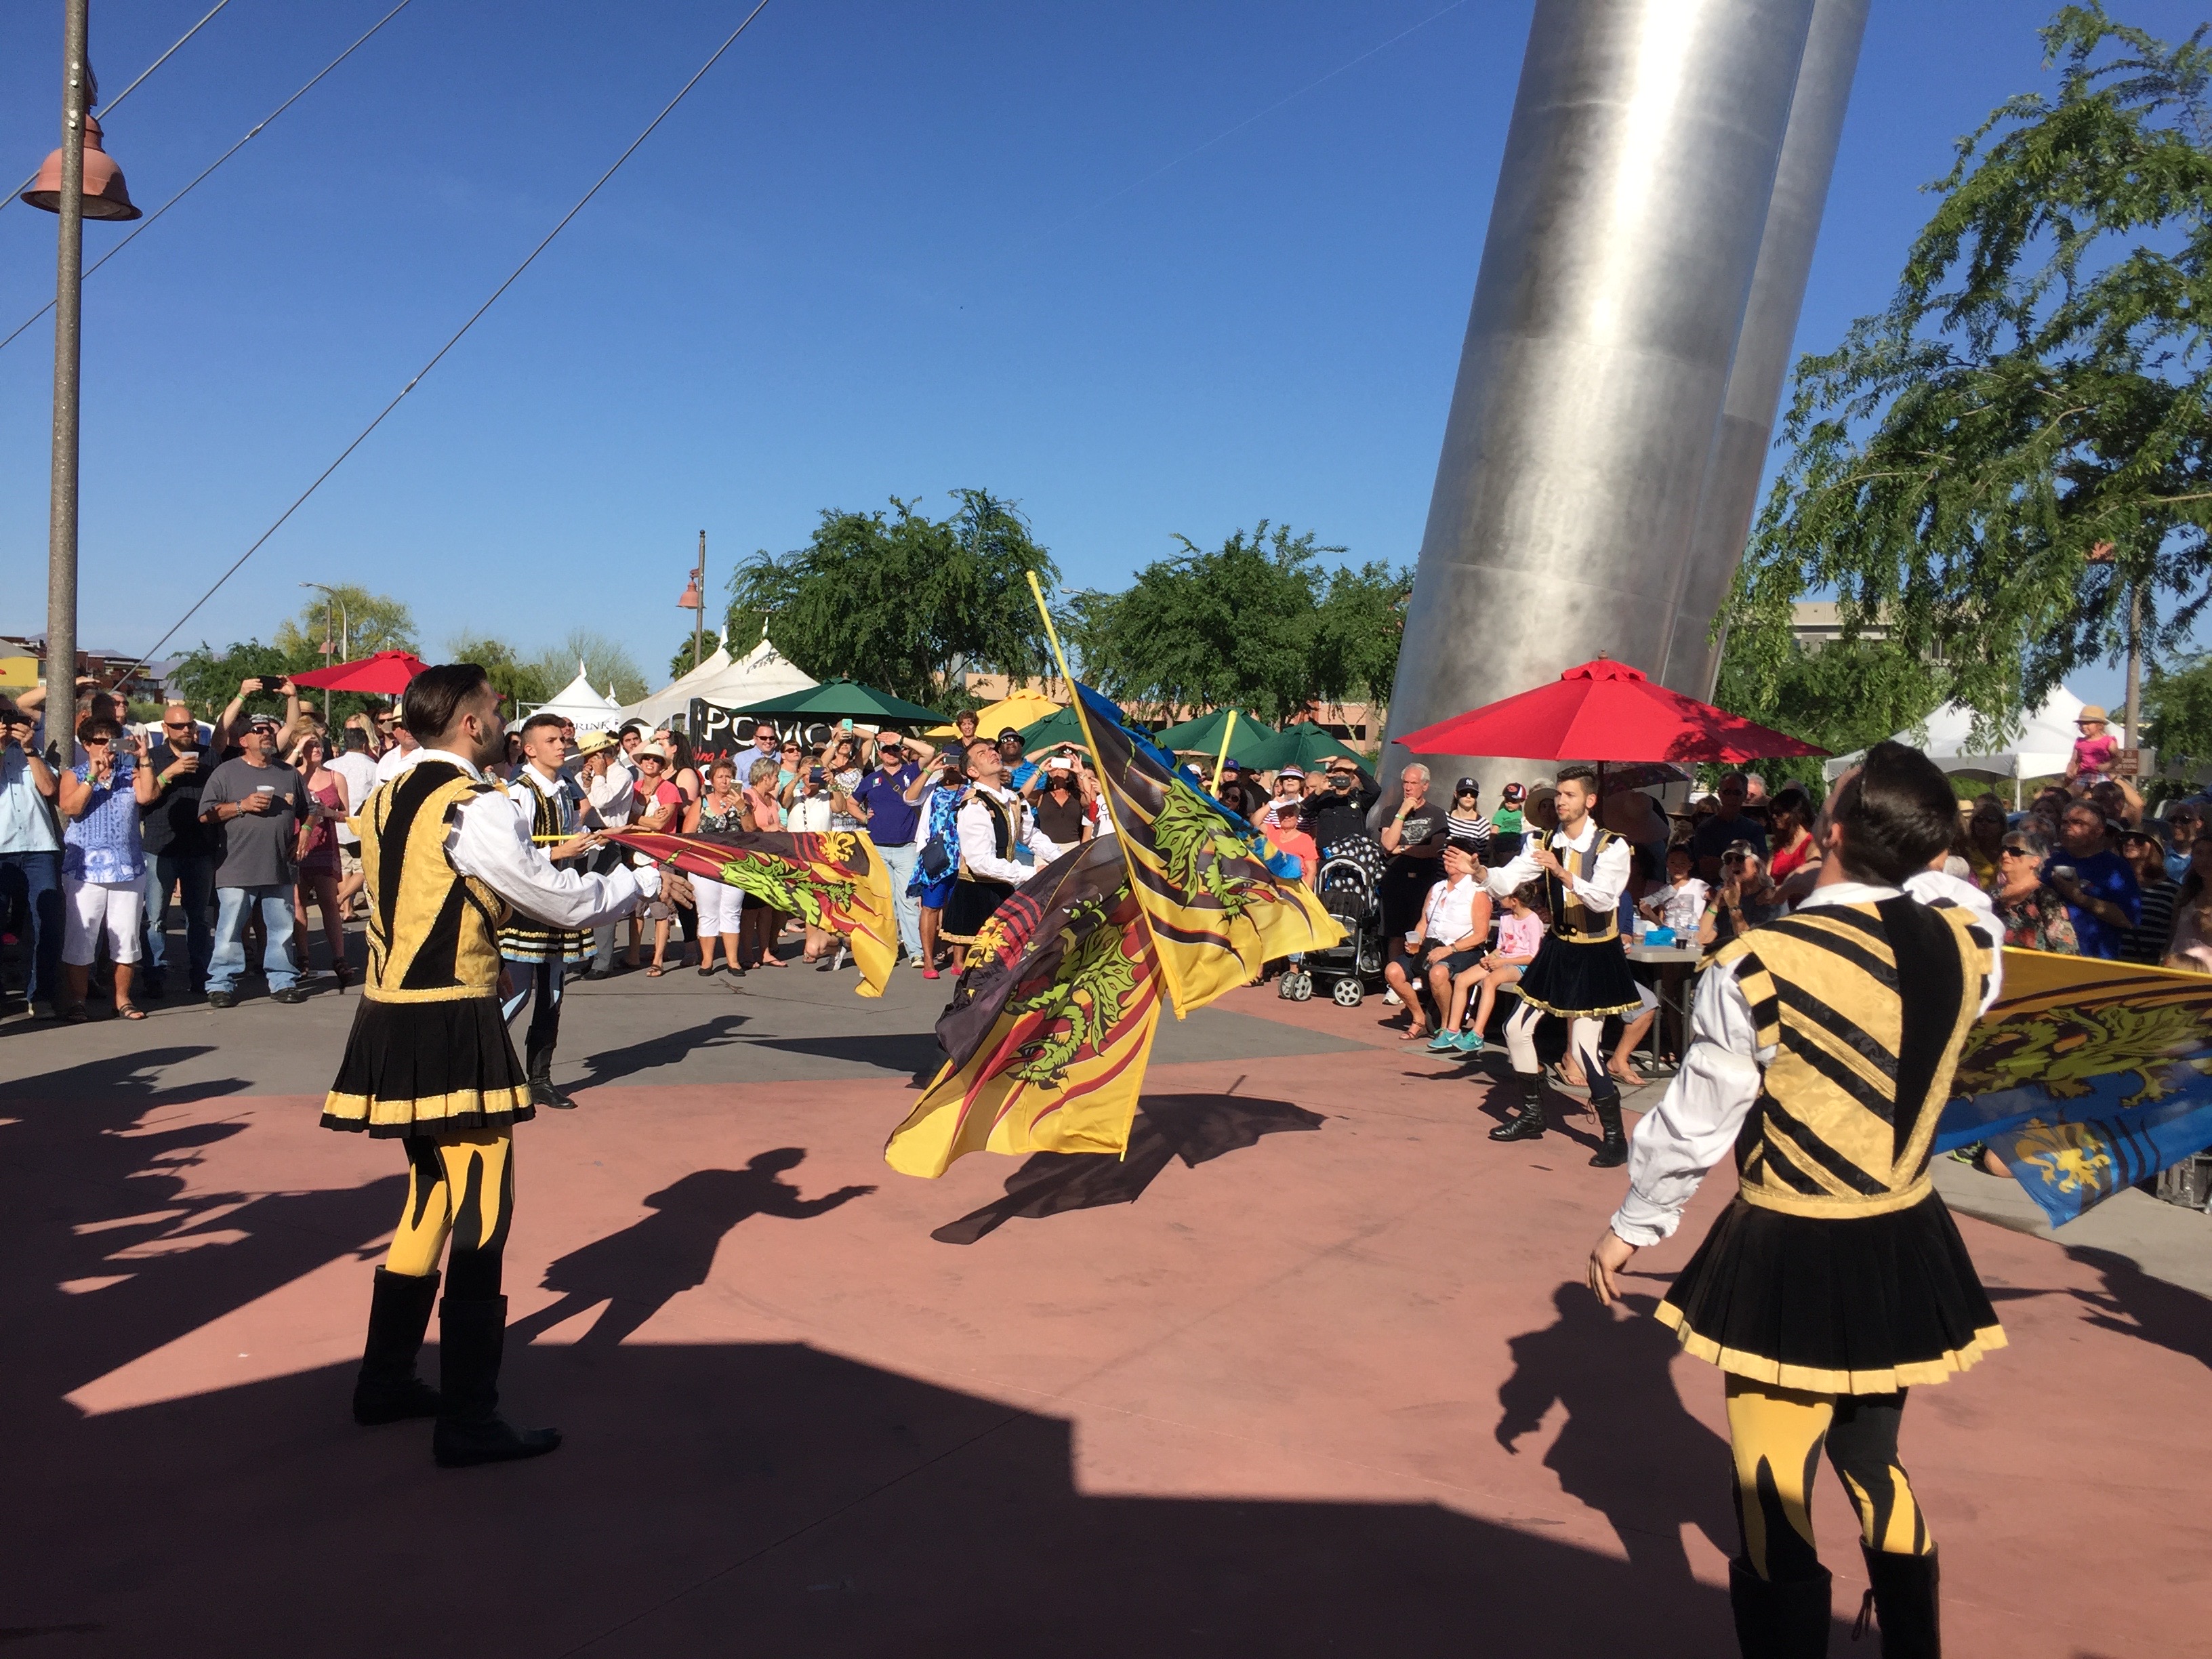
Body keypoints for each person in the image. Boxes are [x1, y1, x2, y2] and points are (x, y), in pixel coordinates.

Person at [1586, 741, 2005, 1656]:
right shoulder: (1973, 945)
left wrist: (1634, 1227)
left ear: (1834, 830)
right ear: (1932, 851)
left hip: (1793, 1242)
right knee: (1873, 1462)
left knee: (1773, 1483)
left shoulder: (1760, 963)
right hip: (1903, 1238)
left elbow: (1698, 1122)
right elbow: (1954, 898)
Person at [323, 663, 673, 1468]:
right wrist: (643, 881)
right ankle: (470, 1417)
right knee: (482, 1208)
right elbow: (556, 897)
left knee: (429, 1198)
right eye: (495, 711)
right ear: (473, 725)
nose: (502, 722)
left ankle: (387, 1382)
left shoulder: (382, 797)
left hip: (391, 1010)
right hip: (449, 1014)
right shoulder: (474, 805)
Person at [1477, 763, 1643, 1165]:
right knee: (1515, 1027)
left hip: (1594, 953)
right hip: (1558, 948)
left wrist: (1562, 872)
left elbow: (1605, 899)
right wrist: (1481, 872)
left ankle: (1615, 1138)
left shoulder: (1612, 846)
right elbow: (1510, 878)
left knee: (1586, 1050)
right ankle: (1533, 1115)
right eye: (1559, 793)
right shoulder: (1545, 840)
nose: (1560, 801)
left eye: (1569, 795)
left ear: (1589, 801)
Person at [498, 713, 600, 1108]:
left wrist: (588, 842)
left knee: (553, 994)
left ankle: (538, 1078)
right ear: (530, 749)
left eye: (563, 739)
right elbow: (511, 858)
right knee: (517, 992)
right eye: (553, 740)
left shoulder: (561, 788)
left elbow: (568, 836)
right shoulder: (519, 791)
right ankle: (472, 1064)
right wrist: (561, 851)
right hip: (527, 904)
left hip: (557, 900)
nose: (562, 745)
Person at [199, 716, 310, 1008]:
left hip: (279, 866)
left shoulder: (289, 773)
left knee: (282, 927)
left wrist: (305, 833)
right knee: (230, 929)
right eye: (258, 730)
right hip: (236, 865)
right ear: (243, 740)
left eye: (270, 730)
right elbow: (205, 815)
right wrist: (241, 806)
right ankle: (221, 983)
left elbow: (308, 809)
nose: (266, 734)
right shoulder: (226, 772)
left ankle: (283, 980)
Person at [56, 716, 157, 1021]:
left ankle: (122, 999)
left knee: (126, 936)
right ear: (86, 745)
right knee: (81, 936)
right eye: (99, 741)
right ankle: (77, 1001)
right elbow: (72, 808)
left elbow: (148, 796)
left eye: (112, 740)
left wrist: (145, 758)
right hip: (85, 871)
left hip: (127, 869)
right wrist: (92, 776)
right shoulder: (73, 775)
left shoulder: (131, 774)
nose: (107, 747)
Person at [941, 735, 1063, 973]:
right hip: (978, 894)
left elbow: (1030, 836)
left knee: (1007, 970)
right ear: (973, 771)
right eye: (982, 753)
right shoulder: (975, 805)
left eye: (990, 749)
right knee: (982, 975)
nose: (992, 752)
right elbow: (980, 863)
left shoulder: (1012, 799)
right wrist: (1032, 872)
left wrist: (1061, 860)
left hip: (1003, 889)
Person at [136, 703, 217, 997]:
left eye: (190, 725)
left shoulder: (209, 756)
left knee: (198, 917)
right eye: (179, 726)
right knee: (155, 917)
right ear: (166, 729)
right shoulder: (153, 758)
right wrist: (171, 771)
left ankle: (200, 974)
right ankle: (154, 974)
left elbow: (218, 796)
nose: (187, 730)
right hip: (161, 845)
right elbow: (144, 799)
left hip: (200, 847)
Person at [0, 699, 63, 1019]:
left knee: (49, 924)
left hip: (38, 848)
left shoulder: (30, 751)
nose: (6, 723)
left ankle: (40, 994)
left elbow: (51, 789)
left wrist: (28, 749)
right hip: (1, 851)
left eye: (8, 716)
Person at [850, 730, 924, 964]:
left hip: (907, 847)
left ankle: (916, 951)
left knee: (909, 901)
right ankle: (888, 949)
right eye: (885, 750)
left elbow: (930, 752)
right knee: (885, 902)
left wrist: (901, 741)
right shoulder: (871, 778)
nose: (890, 753)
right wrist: (863, 818)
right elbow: (852, 803)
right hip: (879, 847)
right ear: (879, 754)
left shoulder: (912, 771)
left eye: (894, 749)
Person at [1414, 840, 1493, 1051]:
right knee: (1393, 971)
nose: (1447, 860)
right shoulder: (1437, 888)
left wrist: (1450, 949)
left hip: (1464, 950)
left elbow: (1481, 935)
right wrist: (1415, 940)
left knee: (1439, 973)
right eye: (1445, 856)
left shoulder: (1477, 890)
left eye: (1453, 856)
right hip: (1431, 945)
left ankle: (1448, 1027)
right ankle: (1419, 1018)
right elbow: (1423, 922)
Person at [901, 739, 967, 979]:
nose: (951, 765)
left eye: (955, 760)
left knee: (960, 908)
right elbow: (909, 798)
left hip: (963, 856)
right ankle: (929, 961)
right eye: (947, 759)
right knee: (930, 907)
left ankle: (958, 958)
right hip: (935, 857)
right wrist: (931, 768)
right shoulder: (932, 787)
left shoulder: (971, 787)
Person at [575, 729, 637, 979]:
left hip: (609, 836)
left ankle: (603, 960)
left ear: (600, 755)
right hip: (587, 836)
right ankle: (589, 954)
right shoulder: (592, 774)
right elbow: (583, 799)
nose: (587, 762)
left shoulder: (621, 775)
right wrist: (588, 781)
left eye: (590, 757)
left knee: (603, 898)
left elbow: (602, 801)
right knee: (585, 898)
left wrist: (598, 778)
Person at [289, 734, 350, 987]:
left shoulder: (336, 777)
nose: (317, 749)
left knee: (328, 901)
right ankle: (303, 957)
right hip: (297, 844)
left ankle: (339, 958)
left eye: (319, 744)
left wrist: (331, 813)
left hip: (324, 845)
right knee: (298, 902)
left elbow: (346, 814)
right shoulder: (293, 775)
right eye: (310, 745)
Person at [1459, 881, 1544, 1055]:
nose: (1498, 899)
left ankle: (1477, 1033)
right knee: (1463, 979)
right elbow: (1502, 947)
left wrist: (1502, 962)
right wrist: (1491, 957)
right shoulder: (1506, 917)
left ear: (1514, 900)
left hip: (1522, 966)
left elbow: (1533, 957)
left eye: (1503, 896)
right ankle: (1451, 1031)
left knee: (1490, 980)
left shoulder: (1533, 921)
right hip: (1503, 961)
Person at [2047, 801, 2139, 960]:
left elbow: (2127, 920)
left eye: (2077, 822)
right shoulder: (2051, 861)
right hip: (2051, 956)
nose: (2067, 827)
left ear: (2098, 832)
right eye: (2064, 822)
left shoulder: (2116, 868)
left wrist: (2079, 898)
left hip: (2094, 959)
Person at [626, 743, 684, 975]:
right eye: (647, 758)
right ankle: (633, 956)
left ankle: (657, 959)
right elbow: (624, 818)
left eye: (656, 760)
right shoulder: (633, 787)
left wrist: (636, 819)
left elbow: (660, 824)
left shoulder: (670, 789)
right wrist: (641, 821)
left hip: (661, 854)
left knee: (661, 908)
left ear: (662, 765)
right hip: (636, 853)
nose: (651, 762)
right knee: (636, 907)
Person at [1378, 764, 1450, 940]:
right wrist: (1402, 812)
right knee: (1395, 936)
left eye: (1414, 783)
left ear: (1425, 786)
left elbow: (1435, 850)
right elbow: (1388, 844)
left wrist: (1401, 849)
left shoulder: (1437, 814)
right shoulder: (1390, 812)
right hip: (1396, 879)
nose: (1408, 788)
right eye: (1405, 782)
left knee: (1421, 934)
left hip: (1424, 881)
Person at [691, 758, 749, 976]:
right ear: (712, 780)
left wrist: (742, 808)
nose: (725, 781)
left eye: (728, 777)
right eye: (720, 777)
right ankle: (707, 961)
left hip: (736, 865)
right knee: (707, 912)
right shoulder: (702, 803)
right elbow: (688, 834)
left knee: (732, 911)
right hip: (704, 864)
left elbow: (752, 832)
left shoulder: (742, 802)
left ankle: (733, 961)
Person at [1988, 825, 2078, 952]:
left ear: (2035, 861)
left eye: (2015, 851)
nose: (2005, 855)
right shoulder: (1990, 895)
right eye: (2002, 849)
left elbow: (2066, 948)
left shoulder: (2045, 895)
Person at [328, 726, 380, 922]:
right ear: (365, 745)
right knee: (364, 868)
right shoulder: (374, 767)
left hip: (338, 823)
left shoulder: (331, 765)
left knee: (344, 868)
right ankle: (343, 900)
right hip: (360, 826)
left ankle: (346, 908)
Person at [1698, 844, 1784, 958]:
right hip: (1723, 963)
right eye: (1729, 860)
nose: (1734, 863)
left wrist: (1733, 906)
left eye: (1740, 859)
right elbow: (1701, 938)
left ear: (1757, 868)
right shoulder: (1723, 894)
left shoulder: (1769, 898)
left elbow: (1751, 945)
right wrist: (1715, 905)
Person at [2116, 824, 2179, 966]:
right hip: (2112, 963)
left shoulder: (2173, 890)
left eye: (2139, 840)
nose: (2130, 842)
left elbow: (2175, 934)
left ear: (2154, 847)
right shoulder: (2113, 883)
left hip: (2150, 968)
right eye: (2126, 838)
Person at [1692, 772, 1767, 882]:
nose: (1732, 797)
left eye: (1737, 792)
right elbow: (1707, 869)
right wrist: (1746, 864)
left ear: (1745, 794)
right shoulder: (1705, 829)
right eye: (1727, 792)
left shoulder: (1755, 829)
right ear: (1720, 794)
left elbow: (1762, 866)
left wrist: (1722, 865)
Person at [1763, 785, 1822, 905]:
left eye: (1779, 813)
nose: (1774, 817)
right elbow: (1766, 880)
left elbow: (1813, 882)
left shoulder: (1813, 844)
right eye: (1772, 814)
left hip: (1803, 908)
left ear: (1795, 813)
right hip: (1777, 908)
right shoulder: (1778, 847)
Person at [2164, 833, 2212, 972]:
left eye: (2211, 854)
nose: (2205, 860)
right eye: (2199, 853)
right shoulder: (2185, 895)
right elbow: (2172, 937)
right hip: (2177, 967)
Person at [1030, 754, 1092, 848]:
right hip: (1046, 847)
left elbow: (1091, 800)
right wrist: (1040, 771)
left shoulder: (1077, 796)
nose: (1059, 769)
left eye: (1063, 767)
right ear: (1050, 773)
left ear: (1069, 772)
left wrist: (1081, 773)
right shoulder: (1041, 796)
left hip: (1072, 847)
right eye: (1055, 767)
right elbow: (1024, 794)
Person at [1963, 794, 2007, 890]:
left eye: (1991, 820)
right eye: (1979, 819)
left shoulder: (2010, 851)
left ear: (2002, 825)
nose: (1984, 824)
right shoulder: (1965, 851)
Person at [2068, 703, 2119, 781]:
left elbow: (2118, 758)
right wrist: (2070, 767)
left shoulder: (2108, 741)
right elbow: (2074, 760)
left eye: (2087, 723)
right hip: (2083, 775)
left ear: (2100, 726)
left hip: (2101, 775)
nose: (2083, 727)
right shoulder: (2079, 742)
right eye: (2081, 724)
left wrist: (2107, 765)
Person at [1444, 778, 1494, 851]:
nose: (1468, 796)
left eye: (1473, 794)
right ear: (1456, 794)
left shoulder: (1482, 824)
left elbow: (1483, 856)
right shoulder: (1445, 818)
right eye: (1464, 793)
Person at [2161, 802, 2203, 882]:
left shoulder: (2205, 859)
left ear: (2198, 823)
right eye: (2173, 820)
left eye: (2185, 820)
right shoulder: (2159, 853)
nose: (2177, 824)